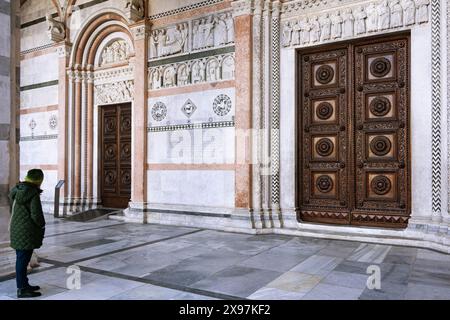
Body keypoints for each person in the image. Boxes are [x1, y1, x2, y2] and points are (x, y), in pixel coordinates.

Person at [9, 169, 45, 298]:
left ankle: (25, 284)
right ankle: (22, 289)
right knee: (22, 260)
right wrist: (42, 224)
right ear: (38, 180)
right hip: (27, 231)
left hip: (17, 229)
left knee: (22, 259)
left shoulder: (16, 190)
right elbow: (36, 215)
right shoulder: (33, 193)